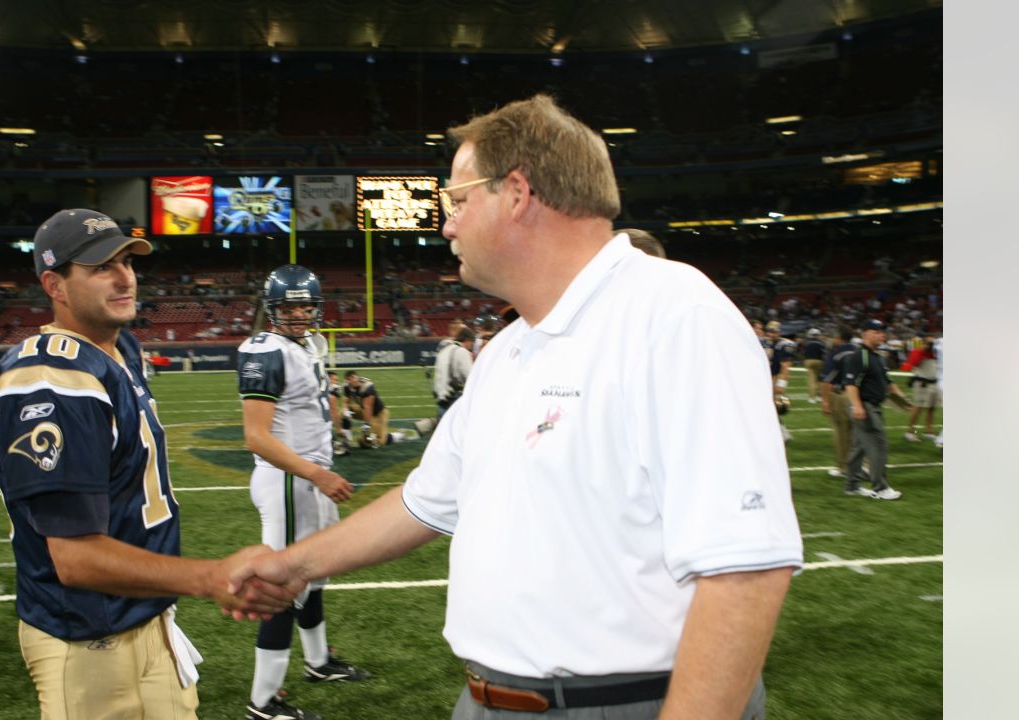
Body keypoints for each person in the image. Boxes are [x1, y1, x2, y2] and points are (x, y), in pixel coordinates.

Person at [229, 94, 802, 720]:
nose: (446, 225)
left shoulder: (675, 316)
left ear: (518, 193)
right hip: (489, 699)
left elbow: (744, 570)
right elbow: (425, 503)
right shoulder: (510, 351)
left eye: (457, 201)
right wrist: (292, 566)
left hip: (621, 703)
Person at [0, 209, 297, 720]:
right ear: (54, 285)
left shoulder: (118, 347)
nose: (125, 276)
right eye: (100, 266)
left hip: (147, 620)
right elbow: (75, 558)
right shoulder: (50, 377)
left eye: (127, 261)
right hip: (88, 639)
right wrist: (209, 576)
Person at [238, 264, 371, 720]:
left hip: (310, 474)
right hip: (290, 478)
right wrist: (316, 474)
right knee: (282, 584)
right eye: (288, 306)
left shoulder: (311, 343)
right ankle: (262, 702)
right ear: (272, 310)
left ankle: (317, 663)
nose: (298, 315)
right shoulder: (265, 350)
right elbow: (256, 437)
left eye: (305, 305)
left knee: (314, 575)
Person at [841, 319, 912, 500]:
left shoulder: (878, 357)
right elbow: (850, 383)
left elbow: (887, 382)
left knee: (859, 448)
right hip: (865, 406)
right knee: (878, 446)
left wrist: (902, 399)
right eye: (877, 332)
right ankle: (880, 488)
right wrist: (857, 406)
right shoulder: (859, 356)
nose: (881, 335)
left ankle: (852, 485)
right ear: (865, 334)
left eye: (882, 332)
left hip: (872, 406)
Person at [819, 325, 857, 480]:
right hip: (859, 396)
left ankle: (843, 467)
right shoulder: (859, 351)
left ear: (839, 338)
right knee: (858, 434)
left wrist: (826, 401)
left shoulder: (836, 354)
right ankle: (864, 465)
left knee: (841, 434)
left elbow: (827, 380)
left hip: (841, 395)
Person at [343, 370, 410, 447]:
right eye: (349, 379)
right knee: (343, 412)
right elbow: (346, 401)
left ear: (357, 377)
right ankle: (347, 440)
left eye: (353, 377)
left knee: (378, 441)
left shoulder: (366, 385)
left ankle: (399, 435)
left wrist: (366, 425)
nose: (351, 381)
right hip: (363, 410)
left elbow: (368, 407)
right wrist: (346, 411)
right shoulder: (347, 386)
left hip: (378, 413)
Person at [900, 334, 941, 443]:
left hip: (933, 383)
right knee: (918, 408)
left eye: (933, 343)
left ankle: (928, 431)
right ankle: (910, 432)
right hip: (922, 383)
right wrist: (922, 351)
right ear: (923, 343)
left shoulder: (936, 353)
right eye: (928, 343)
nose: (931, 345)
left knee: (932, 408)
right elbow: (909, 366)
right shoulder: (918, 352)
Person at [764, 320, 797, 443]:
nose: (771, 334)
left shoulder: (785, 345)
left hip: (775, 378)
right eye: (769, 331)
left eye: (774, 332)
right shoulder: (765, 343)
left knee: (772, 407)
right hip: (766, 378)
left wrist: (781, 384)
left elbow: (785, 367)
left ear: (779, 332)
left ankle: (782, 433)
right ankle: (781, 433)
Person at [432, 326, 476, 419]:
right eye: (471, 344)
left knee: (443, 424)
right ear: (467, 340)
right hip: (452, 396)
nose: (471, 347)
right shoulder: (462, 351)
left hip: (440, 393)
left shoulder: (445, 347)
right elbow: (470, 376)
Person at [800, 328, 827, 404]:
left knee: (811, 380)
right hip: (819, 361)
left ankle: (812, 398)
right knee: (819, 379)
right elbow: (824, 354)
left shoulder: (806, 343)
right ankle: (819, 396)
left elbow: (802, 353)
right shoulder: (821, 343)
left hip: (808, 361)